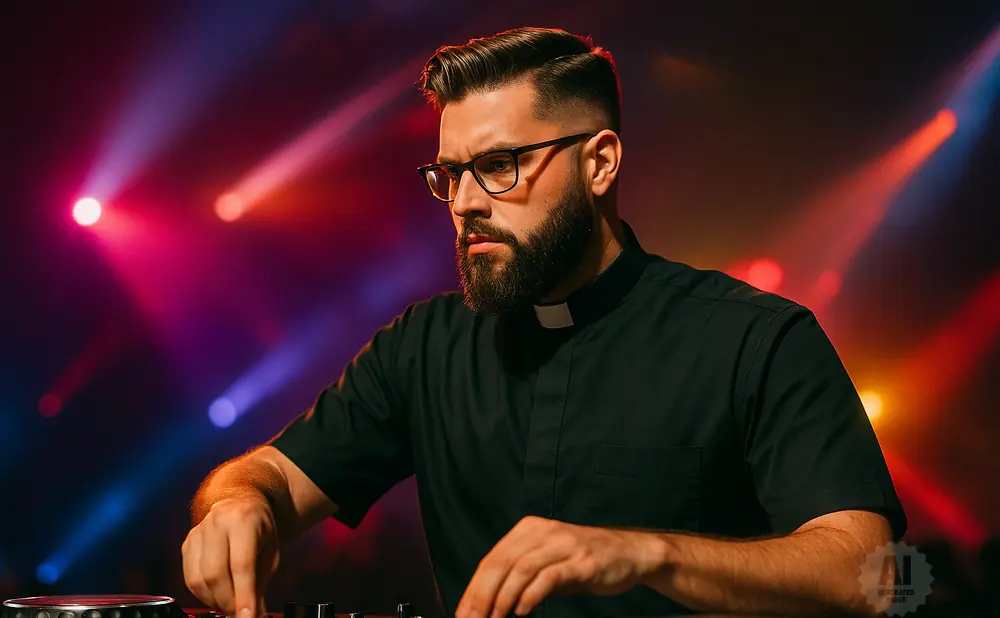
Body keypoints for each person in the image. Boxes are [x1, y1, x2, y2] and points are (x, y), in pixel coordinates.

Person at [181, 27, 907, 618]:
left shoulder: (756, 339)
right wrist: (237, 505)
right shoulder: (424, 347)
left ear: (600, 163)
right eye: (450, 174)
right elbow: (270, 475)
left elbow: (876, 576)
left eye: (499, 164)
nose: (466, 202)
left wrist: (646, 554)